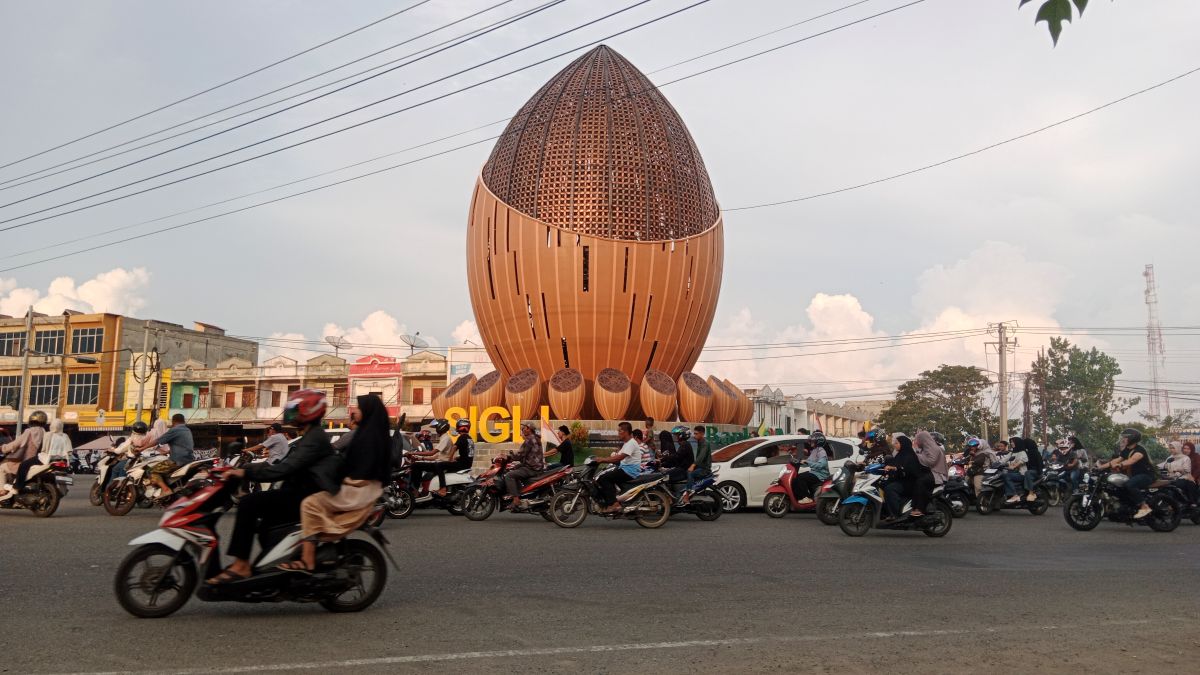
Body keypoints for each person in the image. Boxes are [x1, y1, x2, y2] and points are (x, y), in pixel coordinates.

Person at [208, 389, 341, 584]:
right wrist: (243, 468)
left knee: (248, 503)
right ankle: (273, 572)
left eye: (295, 409)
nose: (290, 413)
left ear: (309, 411)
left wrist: (245, 473)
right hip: (298, 492)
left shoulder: (315, 438)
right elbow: (281, 464)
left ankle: (241, 565)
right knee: (265, 527)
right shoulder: (308, 436)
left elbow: (285, 468)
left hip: (307, 496)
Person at [280, 394, 391, 573]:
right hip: (359, 487)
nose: (354, 411)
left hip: (358, 490)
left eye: (358, 408)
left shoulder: (369, 437)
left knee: (310, 504)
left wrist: (337, 475)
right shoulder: (369, 433)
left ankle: (307, 560)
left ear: (368, 411)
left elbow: (358, 467)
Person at [1096, 428, 1154, 520]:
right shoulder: (1127, 450)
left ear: (1132, 439)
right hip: (1134, 476)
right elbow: (1116, 460)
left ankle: (1144, 506)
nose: (1122, 439)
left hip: (1146, 475)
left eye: (1125, 437)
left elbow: (1132, 460)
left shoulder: (1139, 450)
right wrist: (1100, 467)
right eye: (1122, 437)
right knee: (1118, 486)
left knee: (1129, 484)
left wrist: (1120, 465)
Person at [136, 414, 194, 499]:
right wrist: (167, 451)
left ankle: (165, 489)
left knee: (152, 471)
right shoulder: (187, 430)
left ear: (173, 421)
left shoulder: (175, 430)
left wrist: (142, 448)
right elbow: (182, 445)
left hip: (177, 460)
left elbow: (157, 441)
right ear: (183, 420)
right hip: (189, 459)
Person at [594, 421, 643, 513]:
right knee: (603, 475)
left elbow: (620, 457)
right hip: (624, 469)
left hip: (629, 471)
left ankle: (614, 504)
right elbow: (617, 456)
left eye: (620, 431)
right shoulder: (627, 443)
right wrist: (600, 459)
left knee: (604, 478)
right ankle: (612, 499)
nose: (618, 433)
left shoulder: (631, 443)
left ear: (626, 432)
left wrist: (602, 460)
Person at [0, 411, 49, 499]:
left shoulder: (29, 432)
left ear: (31, 421)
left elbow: (15, 444)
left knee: (2, 468)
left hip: (24, 461)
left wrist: (3, 448)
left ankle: (2, 491)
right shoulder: (44, 433)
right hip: (38, 460)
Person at [881, 432, 925, 520]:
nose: (894, 445)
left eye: (897, 443)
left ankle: (895, 514)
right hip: (900, 480)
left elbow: (907, 470)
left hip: (909, 483)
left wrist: (895, 468)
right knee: (882, 484)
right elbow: (893, 464)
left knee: (890, 489)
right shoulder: (899, 455)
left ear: (903, 444)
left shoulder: (910, 456)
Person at [504, 421, 545, 510]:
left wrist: (507, 457)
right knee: (514, 468)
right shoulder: (536, 438)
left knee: (509, 475)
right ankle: (521, 494)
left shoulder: (529, 439)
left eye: (523, 428)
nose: (522, 430)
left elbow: (520, 454)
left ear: (528, 429)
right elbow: (527, 455)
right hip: (535, 466)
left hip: (532, 468)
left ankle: (516, 500)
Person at [405, 419, 452, 493]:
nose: (436, 430)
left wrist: (412, 453)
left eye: (436, 427)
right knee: (417, 465)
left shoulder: (445, 438)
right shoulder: (444, 438)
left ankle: (414, 490)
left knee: (416, 466)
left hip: (440, 464)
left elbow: (431, 453)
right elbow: (435, 457)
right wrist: (420, 458)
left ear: (440, 428)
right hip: (439, 463)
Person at [912, 430, 946, 516]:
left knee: (920, 482)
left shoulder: (934, 448)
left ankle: (920, 508)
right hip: (929, 472)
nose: (917, 442)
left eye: (918, 440)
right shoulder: (925, 448)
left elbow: (930, 462)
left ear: (923, 439)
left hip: (936, 474)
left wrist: (916, 454)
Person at [791, 432, 829, 505]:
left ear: (818, 442)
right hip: (814, 473)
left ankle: (806, 498)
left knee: (800, 478)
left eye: (812, 441)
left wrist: (807, 462)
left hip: (820, 475)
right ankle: (800, 497)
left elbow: (822, 465)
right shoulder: (815, 450)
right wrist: (799, 462)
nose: (810, 442)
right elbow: (809, 461)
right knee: (795, 478)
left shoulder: (821, 451)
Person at [1160, 441, 1198, 505]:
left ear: (1178, 448)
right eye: (1170, 448)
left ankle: (1189, 502)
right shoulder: (1170, 457)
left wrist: (1179, 470)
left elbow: (1187, 471)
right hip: (1171, 477)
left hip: (1185, 477)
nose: (1171, 450)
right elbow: (1163, 466)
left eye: (1173, 448)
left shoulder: (1186, 458)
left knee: (1184, 484)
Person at [681, 426, 712, 504]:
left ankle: (687, 494)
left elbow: (701, 456)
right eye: (694, 434)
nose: (694, 436)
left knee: (690, 472)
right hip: (700, 467)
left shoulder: (705, 443)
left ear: (702, 434)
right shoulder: (700, 441)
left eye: (696, 434)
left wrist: (693, 465)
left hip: (704, 469)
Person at [1021, 437, 1043, 501]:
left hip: (1035, 471)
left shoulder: (1035, 452)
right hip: (1029, 470)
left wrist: (1040, 473)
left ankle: (1031, 492)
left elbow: (1039, 463)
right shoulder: (1026, 452)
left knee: (1027, 473)